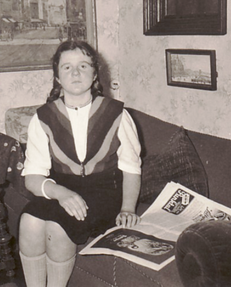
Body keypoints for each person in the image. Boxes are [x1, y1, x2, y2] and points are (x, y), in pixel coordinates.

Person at [18, 40, 142, 287]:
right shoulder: (43, 117)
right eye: (67, 67)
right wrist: (60, 192)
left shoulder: (117, 113)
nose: (75, 73)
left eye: (83, 65)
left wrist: (128, 209)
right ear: (57, 77)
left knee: (58, 226)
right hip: (60, 190)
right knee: (29, 221)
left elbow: (131, 168)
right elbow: (32, 178)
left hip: (104, 193)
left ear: (95, 73)